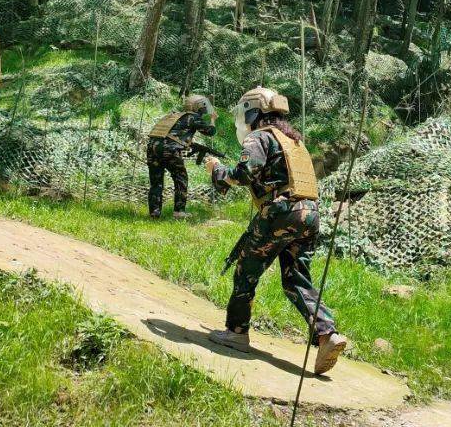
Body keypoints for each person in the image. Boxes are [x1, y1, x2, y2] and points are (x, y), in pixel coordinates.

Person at [204, 87, 348, 375]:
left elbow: (245, 174)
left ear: (253, 112)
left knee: (246, 269)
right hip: (310, 215)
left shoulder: (260, 136)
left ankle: (236, 331)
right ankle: (327, 334)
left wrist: (218, 171)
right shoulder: (295, 142)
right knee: (295, 278)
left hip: (281, 212)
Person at [146, 95, 217, 218]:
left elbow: (172, 134)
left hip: (152, 147)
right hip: (169, 149)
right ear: (200, 106)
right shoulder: (193, 117)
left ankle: (154, 213)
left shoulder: (174, 116)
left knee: (156, 182)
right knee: (181, 178)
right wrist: (212, 119)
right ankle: (179, 211)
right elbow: (210, 131)